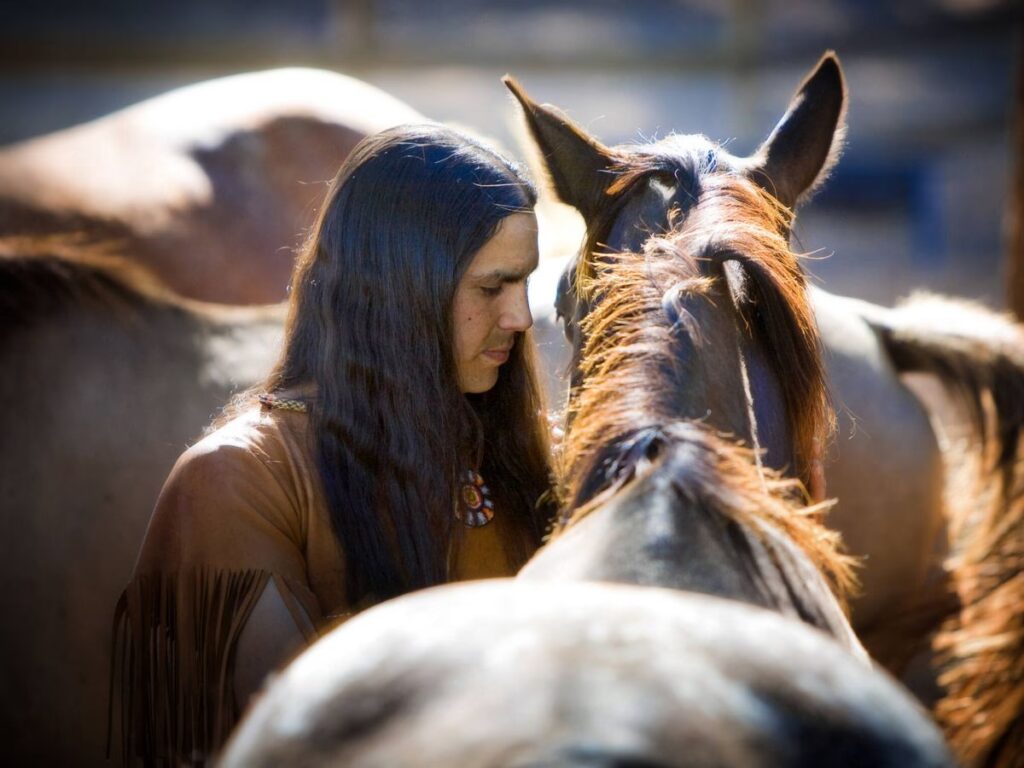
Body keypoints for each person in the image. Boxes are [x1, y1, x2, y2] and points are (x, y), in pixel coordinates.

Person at [110, 124, 556, 765]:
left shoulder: (529, 453)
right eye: (492, 288)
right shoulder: (238, 482)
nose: (520, 317)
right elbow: (297, 739)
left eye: (524, 284)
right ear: (396, 287)